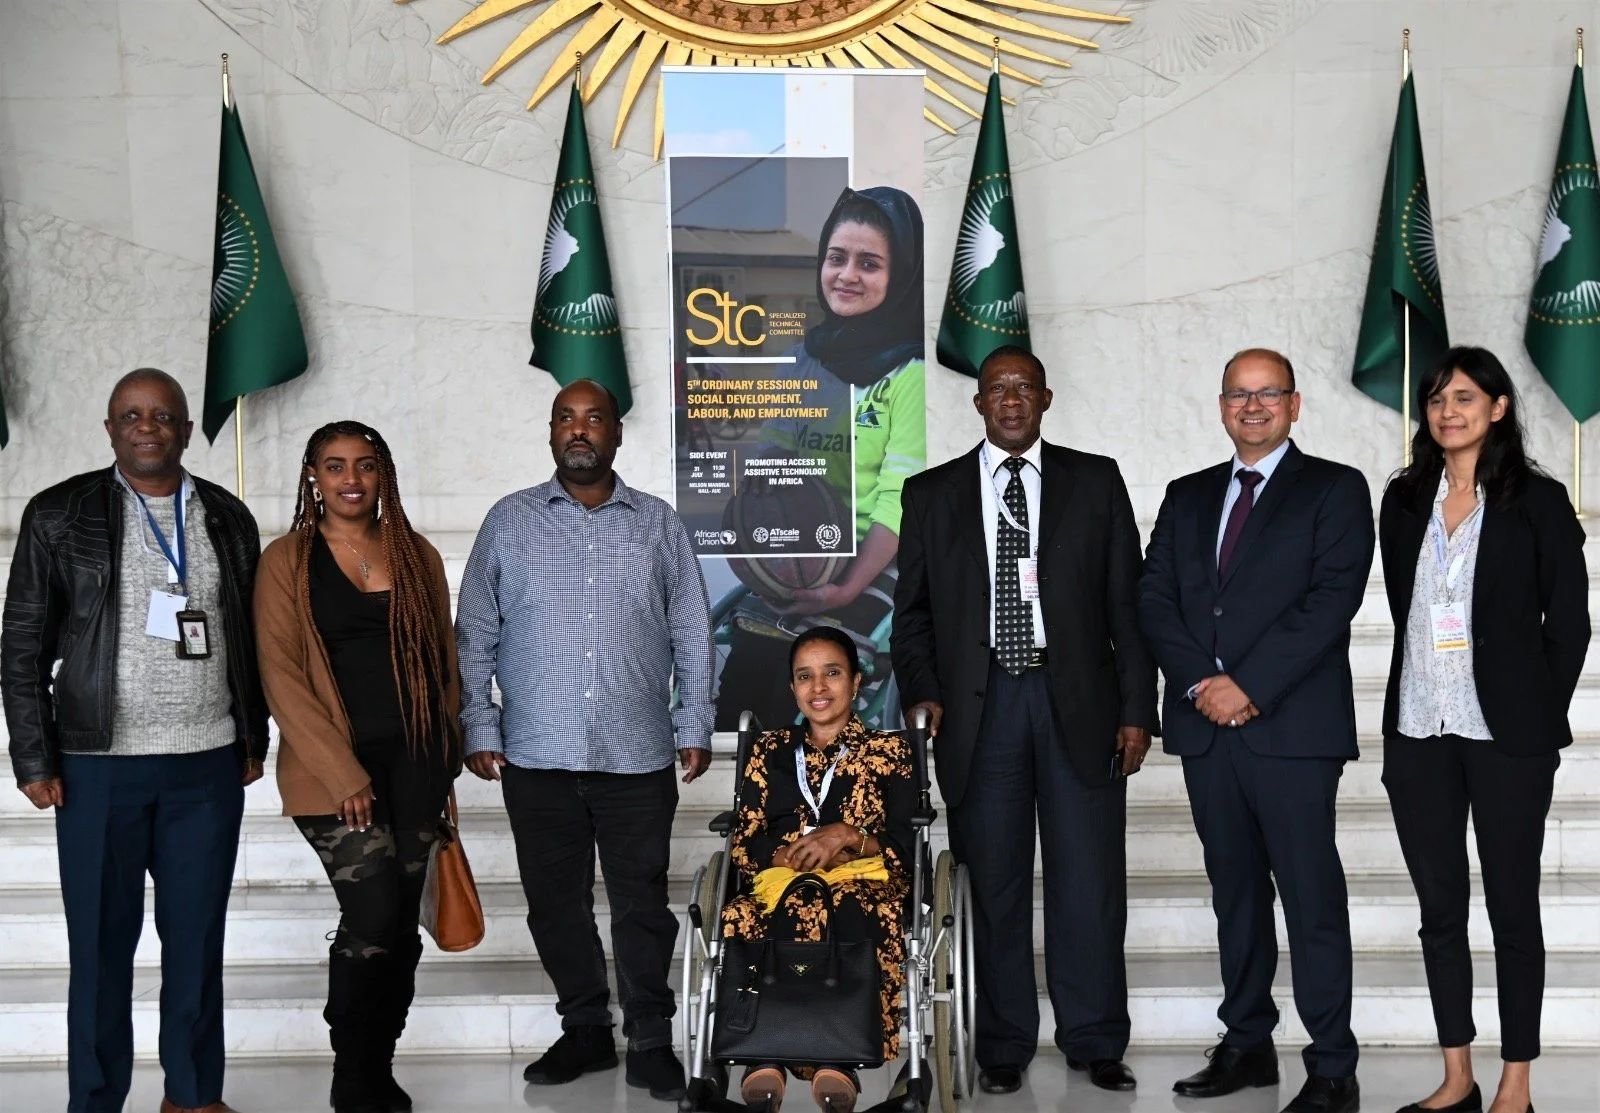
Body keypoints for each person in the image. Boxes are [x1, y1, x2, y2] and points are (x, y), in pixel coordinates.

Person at [891, 345, 1156, 1095]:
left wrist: (1139, 709)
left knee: (1090, 883)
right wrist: (924, 689)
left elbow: (1125, 607)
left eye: (1024, 388)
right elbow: (910, 619)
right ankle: (1002, 1042)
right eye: (996, 389)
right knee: (994, 884)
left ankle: (1096, 1036)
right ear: (977, 403)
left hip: (1079, 703)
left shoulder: (1094, 480)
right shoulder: (932, 492)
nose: (1011, 399)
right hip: (981, 710)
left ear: (1046, 398)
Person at [1, 368, 267, 1113]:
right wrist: (34, 755)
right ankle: (94, 1100)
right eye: (131, 415)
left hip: (206, 767)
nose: (147, 426)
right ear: (111, 428)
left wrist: (251, 735)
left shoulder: (226, 516)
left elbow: (249, 640)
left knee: (195, 944)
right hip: (95, 768)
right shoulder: (60, 514)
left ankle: (192, 1095)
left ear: (186, 430)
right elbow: (20, 642)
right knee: (99, 951)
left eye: (163, 415)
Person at [455, 378, 714, 1102]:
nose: (579, 430)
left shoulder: (658, 523)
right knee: (555, 904)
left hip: (637, 753)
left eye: (593, 418)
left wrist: (693, 721)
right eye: (565, 418)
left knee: (641, 903)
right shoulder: (509, 522)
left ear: (616, 434)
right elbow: (475, 631)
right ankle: (586, 1029)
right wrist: (480, 721)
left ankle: (652, 1039)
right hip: (536, 753)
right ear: (550, 433)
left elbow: (693, 628)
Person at [1137, 348, 1373, 1113]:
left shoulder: (1335, 489)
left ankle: (1332, 1064)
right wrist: (1205, 684)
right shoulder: (1187, 494)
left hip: (1292, 730)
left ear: (1295, 404)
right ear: (1220, 405)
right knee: (1234, 892)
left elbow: (1331, 600)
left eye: (1268, 392)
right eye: (1239, 393)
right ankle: (1247, 1043)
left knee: (1310, 897)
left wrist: (1250, 685)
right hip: (1211, 730)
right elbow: (1155, 599)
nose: (1253, 405)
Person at [1378, 348, 1589, 1113]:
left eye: (1465, 397)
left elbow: (1570, 625)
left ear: (1499, 407)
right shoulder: (1402, 500)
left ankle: (1517, 1083)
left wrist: (1534, 713)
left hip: (1506, 740)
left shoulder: (1538, 500)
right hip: (1418, 731)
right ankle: (1458, 1075)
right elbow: (1408, 614)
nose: (1447, 411)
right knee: (1440, 909)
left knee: (1511, 905)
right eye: (1436, 399)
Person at [253, 421, 461, 1113]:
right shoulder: (287, 559)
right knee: (371, 909)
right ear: (313, 474)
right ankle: (352, 1063)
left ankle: (378, 1060)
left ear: (383, 475)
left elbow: (444, 667)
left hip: (416, 766)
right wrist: (343, 772)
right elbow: (281, 674)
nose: (351, 479)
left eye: (365, 465)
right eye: (335, 465)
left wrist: (447, 755)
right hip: (332, 774)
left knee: (400, 923)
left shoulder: (417, 553)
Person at [714, 185, 926, 731]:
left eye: (870, 263)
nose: (847, 275)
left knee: (818, 663)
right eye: (837, 257)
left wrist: (848, 585)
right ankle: (759, 798)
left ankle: (840, 803)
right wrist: (753, 493)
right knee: (747, 650)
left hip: (875, 557)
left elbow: (898, 499)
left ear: (899, 275)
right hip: (802, 548)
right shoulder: (810, 354)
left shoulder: (910, 373)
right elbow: (776, 450)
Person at [721, 625, 917, 1113]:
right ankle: (763, 1053)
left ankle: (839, 1056)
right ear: (792, 687)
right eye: (804, 677)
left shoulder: (890, 754)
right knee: (746, 914)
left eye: (832, 673)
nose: (819, 688)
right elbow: (745, 839)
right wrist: (785, 853)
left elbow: (906, 848)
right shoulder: (769, 752)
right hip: (780, 881)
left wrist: (849, 836)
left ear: (856, 681)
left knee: (846, 906)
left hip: (861, 884)